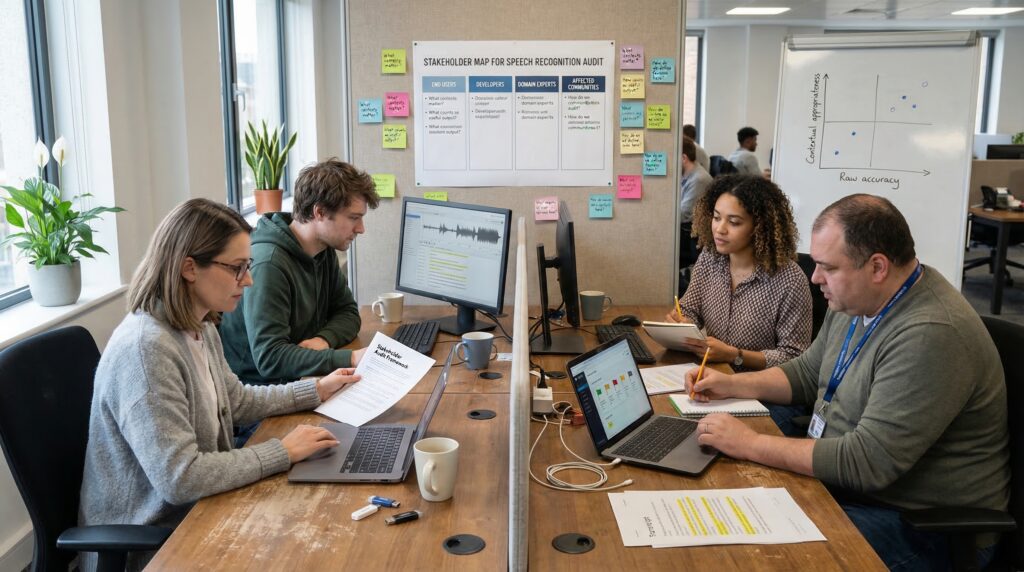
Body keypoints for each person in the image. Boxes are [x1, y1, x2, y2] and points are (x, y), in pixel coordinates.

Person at [686, 194, 1010, 570]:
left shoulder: (932, 333)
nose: (815, 277)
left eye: (828, 267)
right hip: (848, 488)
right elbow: (808, 373)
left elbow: (868, 462)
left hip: (921, 525)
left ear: (877, 267)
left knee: (762, 558)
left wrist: (750, 442)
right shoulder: (856, 301)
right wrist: (732, 385)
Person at [79, 199, 360, 571]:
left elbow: (235, 400)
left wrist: (315, 389)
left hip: (201, 510)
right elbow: (181, 478)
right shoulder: (147, 351)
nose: (249, 280)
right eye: (237, 268)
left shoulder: (199, 323)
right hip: (155, 541)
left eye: (249, 266)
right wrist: (282, 451)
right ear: (189, 268)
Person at [220, 158, 380, 386]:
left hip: (302, 380)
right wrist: (351, 357)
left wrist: (324, 339)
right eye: (354, 217)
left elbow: (347, 312)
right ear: (320, 212)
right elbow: (270, 358)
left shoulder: (322, 250)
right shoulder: (269, 265)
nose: (361, 229)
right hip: (262, 399)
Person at [666, 174, 811, 373]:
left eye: (734, 222)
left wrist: (735, 355)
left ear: (760, 227)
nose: (720, 229)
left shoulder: (790, 280)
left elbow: (794, 356)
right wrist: (682, 321)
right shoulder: (710, 258)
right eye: (716, 218)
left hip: (763, 389)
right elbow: (690, 309)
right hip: (716, 373)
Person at [679, 136, 714, 269]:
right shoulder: (687, 176)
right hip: (687, 232)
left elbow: (684, 214)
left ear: (683, 158)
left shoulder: (699, 179)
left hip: (691, 237)